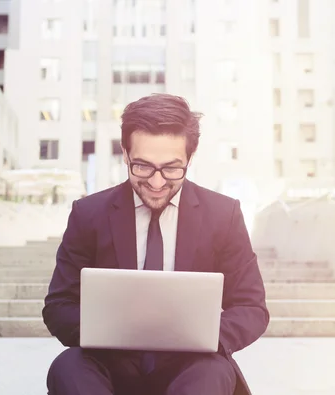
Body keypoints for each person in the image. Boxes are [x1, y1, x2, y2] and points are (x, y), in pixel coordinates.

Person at [43, 93, 270, 395]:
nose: (157, 182)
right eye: (143, 166)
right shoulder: (88, 215)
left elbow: (251, 307)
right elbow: (59, 305)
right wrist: (105, 330)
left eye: (172, 168)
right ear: (125, 153)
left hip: (191, 365)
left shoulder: (223, 215)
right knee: (68, 367)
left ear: (191, 156)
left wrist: (202, 336)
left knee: (214, 372)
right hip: (110, 363)